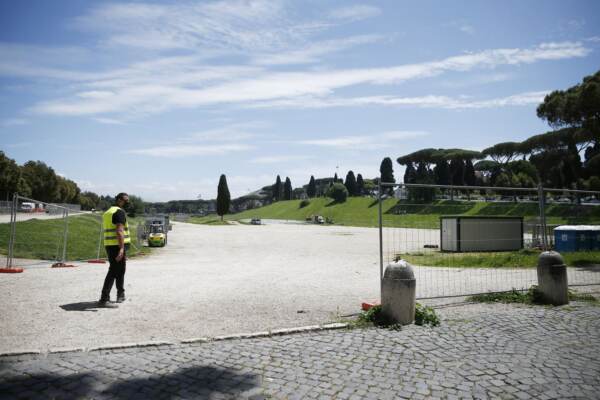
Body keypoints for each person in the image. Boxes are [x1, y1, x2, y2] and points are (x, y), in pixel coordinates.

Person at [98, 193, 131, 307]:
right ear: (119, 200)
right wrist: (121, 248)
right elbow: (119, 231)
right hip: (117, 246)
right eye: (125, 201)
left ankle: (120, 294)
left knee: (120, 270)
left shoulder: (108, 212)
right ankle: (104, 299)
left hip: (109, 244)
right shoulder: (119, 212)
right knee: (113, 271)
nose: (127, 203)